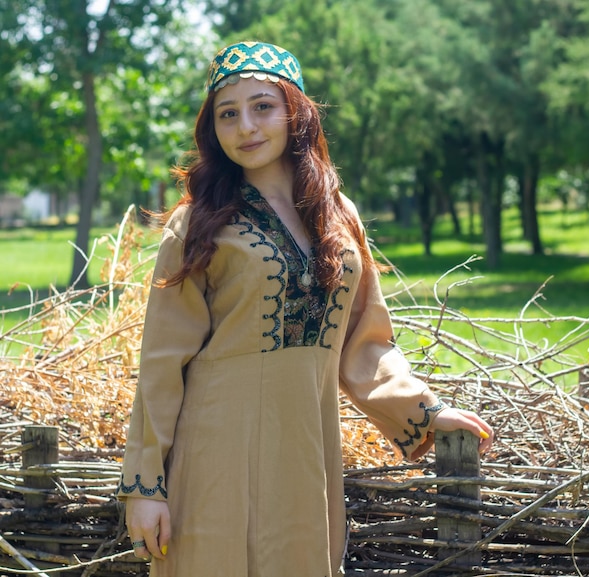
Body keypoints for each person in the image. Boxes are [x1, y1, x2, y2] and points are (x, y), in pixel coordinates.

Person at [117, 40, 493, 577]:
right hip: (214, 453)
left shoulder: (339, 215)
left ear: (296, 111)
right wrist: (145, 488)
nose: (246, 126)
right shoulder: (198, 223)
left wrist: (425, 411)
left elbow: (366, 342)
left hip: (305, 453)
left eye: (262, 106)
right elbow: (160, 363)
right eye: (229, 114)